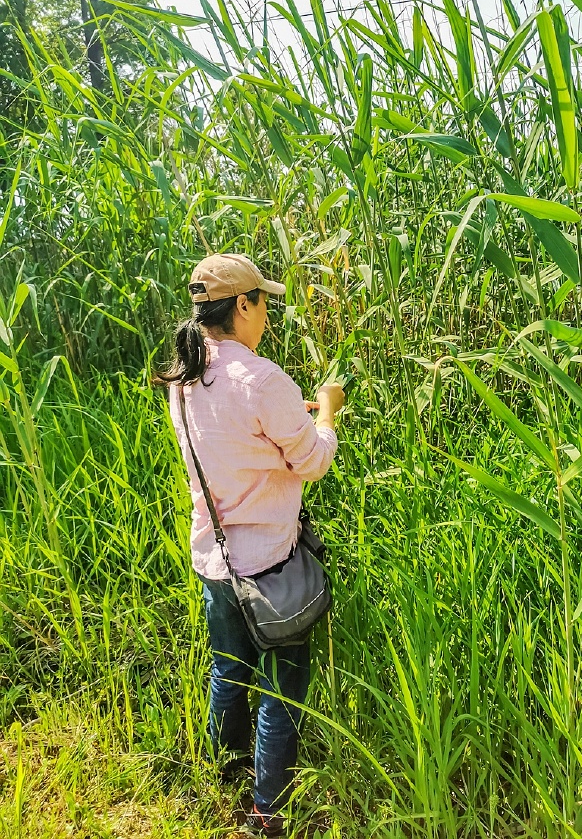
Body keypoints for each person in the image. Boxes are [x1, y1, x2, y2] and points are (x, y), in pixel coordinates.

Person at [158, 252, 344, 837]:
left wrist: (293, 413)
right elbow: (312, 461)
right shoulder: (263, 380)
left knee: (227, 670)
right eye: (261, 301)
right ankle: (267, 810)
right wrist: (328, 414)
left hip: (216, 562)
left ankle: (225, 771)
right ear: (243, 305)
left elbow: (233, 439)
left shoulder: (183, 379)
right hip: (270, 565)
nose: (265, 312)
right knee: (283, 693)